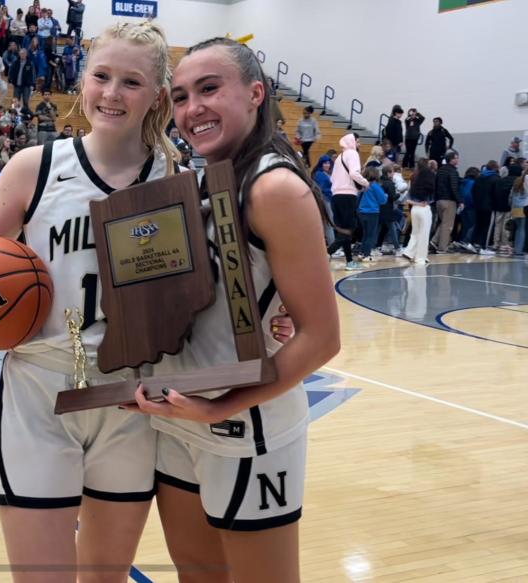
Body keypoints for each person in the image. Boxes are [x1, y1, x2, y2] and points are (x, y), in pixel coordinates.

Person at [0, 22, 182, 581]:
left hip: (130, 397)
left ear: (156, 95)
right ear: (82, 80)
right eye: (102, 76)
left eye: (131, 82)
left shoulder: (175, 180)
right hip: (40, 391)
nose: (111, 93)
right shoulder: (34, 167)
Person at [125, 36, 337, 583]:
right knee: (196, 573)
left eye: (209, 88)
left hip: (248, 425)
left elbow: (321, 338)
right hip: (179, 415)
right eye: (179, 96)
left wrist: (221, 408)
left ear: (256, 94)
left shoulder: (273, 188)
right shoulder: (195, 183)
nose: (192, 107)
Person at [327, 133, 368, 270]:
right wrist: (365, 183)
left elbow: (333, 179)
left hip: (336, 196)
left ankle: (350, 262)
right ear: (352, 141)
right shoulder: (353, 154)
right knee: (351, 229)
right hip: (347, 197)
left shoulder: (339, 157)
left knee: (343, 231)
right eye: (358, 141)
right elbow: (354, 173)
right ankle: (326, 253)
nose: (359, 144)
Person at [403, 157, 435, 265]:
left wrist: (417, 203)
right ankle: (420, 257)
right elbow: (432, 191)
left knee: (415, 232)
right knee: (424, 234)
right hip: (424, 208)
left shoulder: (413, 177)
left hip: (414, 209)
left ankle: (409, 252)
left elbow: (407, 198)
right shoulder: (429, 176)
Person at [433, 151, 461, 253]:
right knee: (448, 226)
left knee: (444, 223)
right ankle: (442, 248)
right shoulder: (453, 171)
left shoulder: (440, 170)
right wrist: (460, 200)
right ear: (451, 159)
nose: (458, 160)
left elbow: (435, 185)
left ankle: (434, 241)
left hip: (439, 201)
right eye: (456, 158)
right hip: (449, 201)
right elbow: (454, 187)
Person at [357, 167, 387, 258]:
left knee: (365, 234)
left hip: (361, 212)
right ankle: (366, 255)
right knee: (370, 235)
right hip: (372, 212)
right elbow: (383, 200)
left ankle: (361, 253)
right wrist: (386, 195)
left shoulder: (363, 185)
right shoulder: (375, 186)